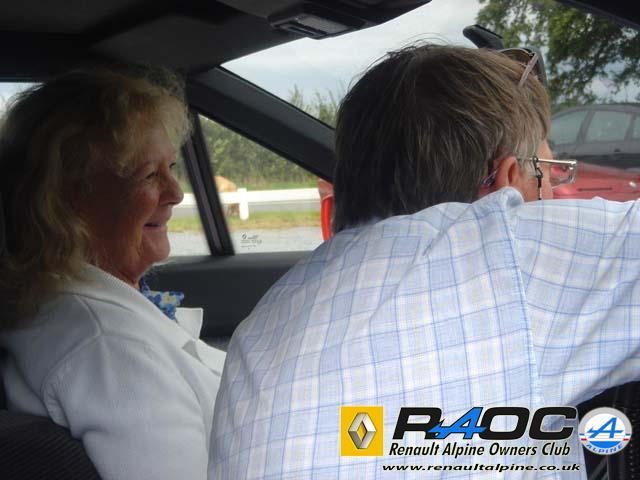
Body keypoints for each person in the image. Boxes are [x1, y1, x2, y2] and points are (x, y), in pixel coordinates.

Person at [211, 44, 640, 478]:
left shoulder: (261, 326)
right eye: (545, 171)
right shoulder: (507, 249)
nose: (552, 192)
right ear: (508, 183)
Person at [0, 65, 225, 479]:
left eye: (171, 168)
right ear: (67, 200)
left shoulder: (75, 309)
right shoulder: (108, 349)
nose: (176, 193)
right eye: (149, 175)